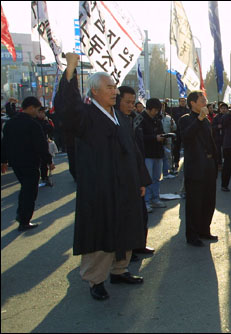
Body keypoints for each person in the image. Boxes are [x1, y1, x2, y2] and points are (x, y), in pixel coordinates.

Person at [55, 53, 146, 301]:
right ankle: (95, 279)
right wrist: (71, 70)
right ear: (94, 92)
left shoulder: (120, 117)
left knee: (125, 228)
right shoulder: (85, 116)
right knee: (101, 232)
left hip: (125, 185)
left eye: (115, 87)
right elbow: (66, 108)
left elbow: (133, 151)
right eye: (109, 87)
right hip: (100, 187)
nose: (115, 91)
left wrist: (140, 180)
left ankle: (120, 270)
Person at [1, 96, 55, 232]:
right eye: (37, 109)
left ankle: (21, 214)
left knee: (25, 188)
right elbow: (41, 145)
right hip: (30, 161)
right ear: (31, 107)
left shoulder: (10, 123)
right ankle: (24, 220)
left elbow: (4, 143)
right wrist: (48, 160)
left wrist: (4, 160)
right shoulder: (33, 124)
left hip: (16, 162)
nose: (37, 112)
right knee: (30, 191)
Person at [116, 86, 155, 257]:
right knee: (125, 218)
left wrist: (142, 179)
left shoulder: (134, 119)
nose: (131, 106)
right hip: (123, 177)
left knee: (141, 215)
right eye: (127, 102)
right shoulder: (114, 122)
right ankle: (125, 253)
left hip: (136, 171)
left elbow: (137, 150)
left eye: (133, 102)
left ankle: (139, 244)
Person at [178, 91, 218, 247]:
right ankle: (192, 235)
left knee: (209, 200)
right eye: (202, 100)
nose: (205, 102)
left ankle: (204, 230)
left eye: (205, 99)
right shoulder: (185, 120)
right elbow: (186, 137)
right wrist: (200, 118)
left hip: (208, 165)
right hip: (195, 167)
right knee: (194, 202)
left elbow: (211, 141)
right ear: (192, 103)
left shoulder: (207, 121)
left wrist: (216, 160)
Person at [135, 98, 168, 213]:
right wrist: (154, 138)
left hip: (158, 153)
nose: (156, 112)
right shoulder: (140, 119)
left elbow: (161, 131)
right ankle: (146, 202)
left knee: (157, 178)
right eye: (154, 110)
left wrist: (164, 136)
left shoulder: (157, 119)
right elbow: (138, 137)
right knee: (147, 179)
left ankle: (155, 198)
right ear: (148, 109)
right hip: (146, 154)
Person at [171, 97, 189, 172]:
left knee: (187, 147)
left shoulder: (188, 110)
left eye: (184, 101)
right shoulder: (175, 110)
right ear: (179, 102)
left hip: (186, 131)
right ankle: (176, 162)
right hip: (177, 131)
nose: (183, 102)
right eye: (181, 101)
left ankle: (188, 162)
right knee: (176, 148)